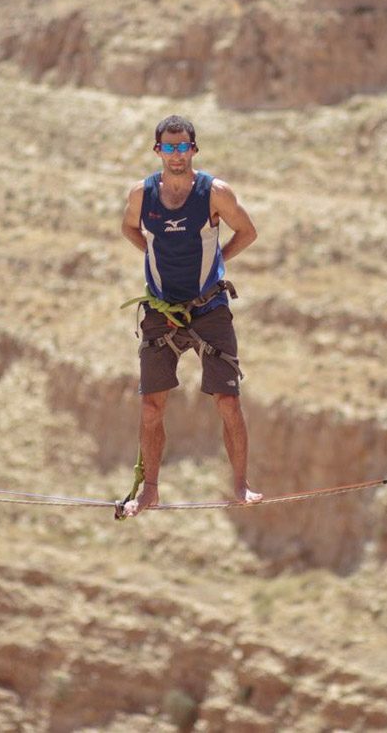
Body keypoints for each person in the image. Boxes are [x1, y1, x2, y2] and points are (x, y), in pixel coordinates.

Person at [118, 115, 263, 517]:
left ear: (194, 149)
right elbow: (129, 228)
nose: (177, 154)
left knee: (228, 401)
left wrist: (218, 260)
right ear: (158, 150)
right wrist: (152, 251)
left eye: (183, 146)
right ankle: (149, 490)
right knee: (151, 407)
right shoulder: (142, 195)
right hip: (161, 309)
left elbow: (247, 231)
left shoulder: (214, 193)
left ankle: (241, 484)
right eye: (169, 146)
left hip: (209, 308)